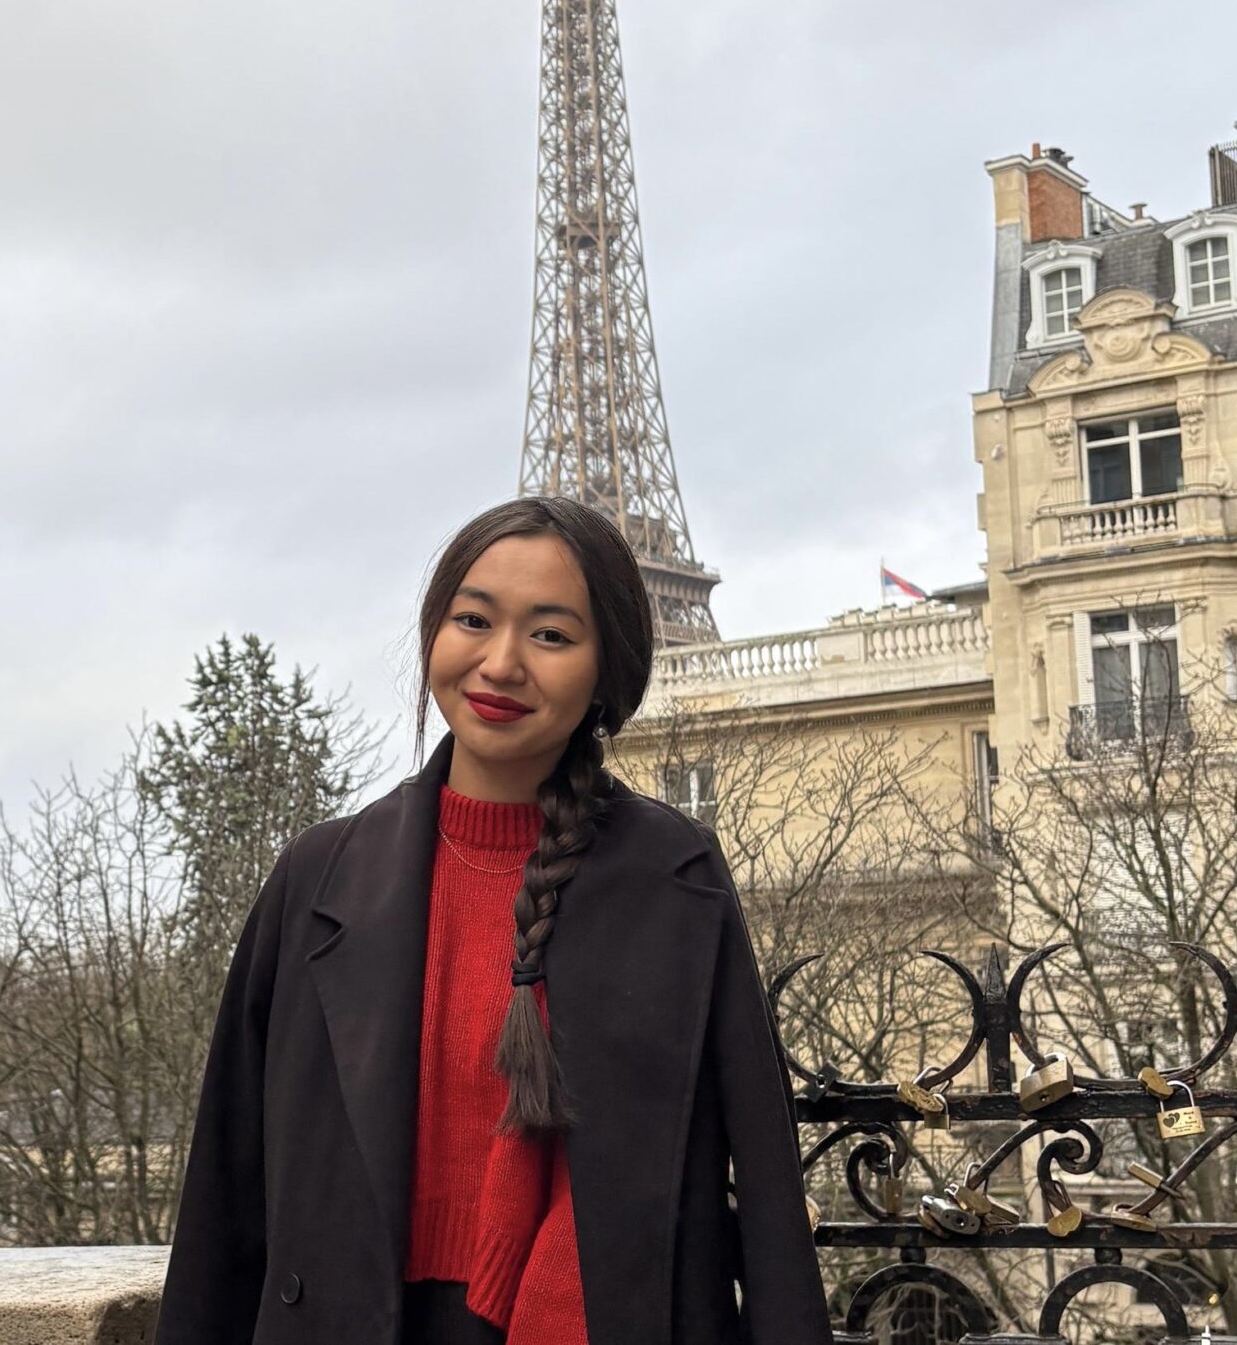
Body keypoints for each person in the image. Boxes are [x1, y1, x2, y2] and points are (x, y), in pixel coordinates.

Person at [156, 496, 829, 1344]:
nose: (501, 663)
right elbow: (227, 1189)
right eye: (473, 620)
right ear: (433, 634)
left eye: (550, 634)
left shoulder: (678, 876)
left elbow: (766, 1187)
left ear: (607, 672)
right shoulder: (316, 876)